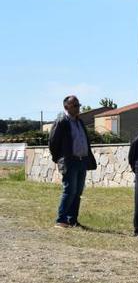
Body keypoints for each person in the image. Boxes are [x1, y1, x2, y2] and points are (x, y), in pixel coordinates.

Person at [49, 95, 97, 228]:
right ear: (66, 107)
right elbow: (53, 143)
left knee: (78, 192)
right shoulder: (62, 121)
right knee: (69, 190)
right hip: (70, 161)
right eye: (75, 105)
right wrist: (60, 159)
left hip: (82, 161)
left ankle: (72, 220)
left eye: (78, 105)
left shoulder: (79, 121)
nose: (78, 108)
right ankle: (61, 219)